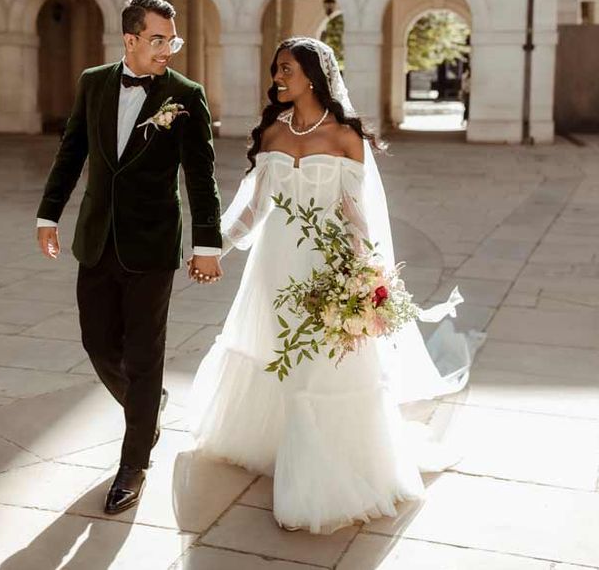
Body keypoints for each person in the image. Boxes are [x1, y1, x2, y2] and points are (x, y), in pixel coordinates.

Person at [188, 37, 480, 534]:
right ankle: (277, 445)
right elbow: (254, 208)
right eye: (276, 68)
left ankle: (317, 480)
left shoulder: (346, 136)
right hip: (274, 267)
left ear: (314, 76)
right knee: (276, 353)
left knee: (321, 372)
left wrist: (366, 276)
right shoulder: (272, 133)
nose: (278, 77)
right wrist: (215, 248)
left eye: (286, 69)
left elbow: (357, 217)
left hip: (328, 269)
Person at [36, 0, 223, 515]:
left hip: (152, 246)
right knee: (96, 342)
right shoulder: (94, 82)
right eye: (158, 39)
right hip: (96, 239)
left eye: (173, 39)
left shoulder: (185, 95)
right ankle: (148, 408)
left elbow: (201, 176)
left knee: (144, 356)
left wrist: (206, 244)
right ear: (131, 40)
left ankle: (133, 462)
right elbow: (72, 150)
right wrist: (47, 215)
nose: (168, 49)